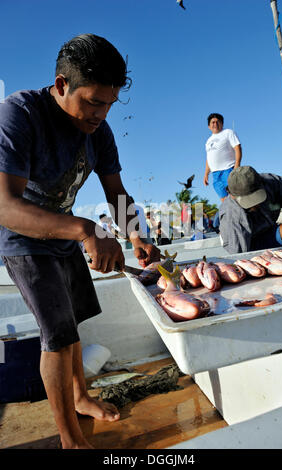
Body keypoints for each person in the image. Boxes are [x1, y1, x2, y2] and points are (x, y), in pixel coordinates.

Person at [0, 33, 160, 449]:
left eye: (109, 103)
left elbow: (116, 193)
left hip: (65, 230)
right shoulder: (19, 114)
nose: (101, 114)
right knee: (56, 333)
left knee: (73, 326)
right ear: (60, 85)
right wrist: (87, 230)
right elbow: (5, 207)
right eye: (92, 102)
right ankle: (70, 438)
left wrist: (136, 236)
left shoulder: (99, 130)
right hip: (23, 236)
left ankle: (81, 397)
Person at [219, 166, 282, 254]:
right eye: (249, 201)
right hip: (249, 243)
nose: (256, 204)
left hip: (268, 231)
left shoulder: (270, 181)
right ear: (233, 196)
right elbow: (239, 256)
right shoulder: (231, 214)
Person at [203, 113, 242, 202]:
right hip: (215, 174)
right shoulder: (208, 141)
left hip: (228, 169)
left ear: (222, 124)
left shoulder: (228, 132)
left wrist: (237, 165)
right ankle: (230, 215)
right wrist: (206, 174)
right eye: (212, 122)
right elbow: (209, 157)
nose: (215, 124)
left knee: (234, 196)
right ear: (209, 126)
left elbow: (237, 147)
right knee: (224, 200)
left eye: (218, 122)